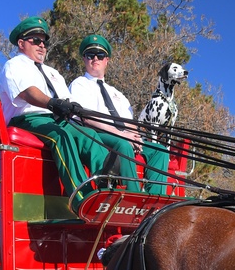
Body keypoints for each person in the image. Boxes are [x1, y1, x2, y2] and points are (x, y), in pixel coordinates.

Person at [0, 17, 106, 208]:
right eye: (36, 41)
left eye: (44, 42)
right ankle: (83, 199)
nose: (42, 46)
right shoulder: (14, 65)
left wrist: (75, 109)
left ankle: (107, 192)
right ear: (21, 43)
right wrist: (53, 103)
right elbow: (28, 93)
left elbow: (68, 103)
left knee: (91, 137)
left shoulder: (53, 72)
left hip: (57, 119)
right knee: (60, 136)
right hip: (28, 119)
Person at [68, 34, 171, 195]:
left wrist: (135, 136)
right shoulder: (79, 84)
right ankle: (134, 197)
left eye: (100, 55)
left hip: (123, 135)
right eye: (90, 55)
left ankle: (155, 200)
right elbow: (87, 119)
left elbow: (129, 122)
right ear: (84, 59)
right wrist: (122, 135)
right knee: (122, 145)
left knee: (160, 151)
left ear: (106, 60)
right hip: (97, 135)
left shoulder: (116, 93)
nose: (95, 58)